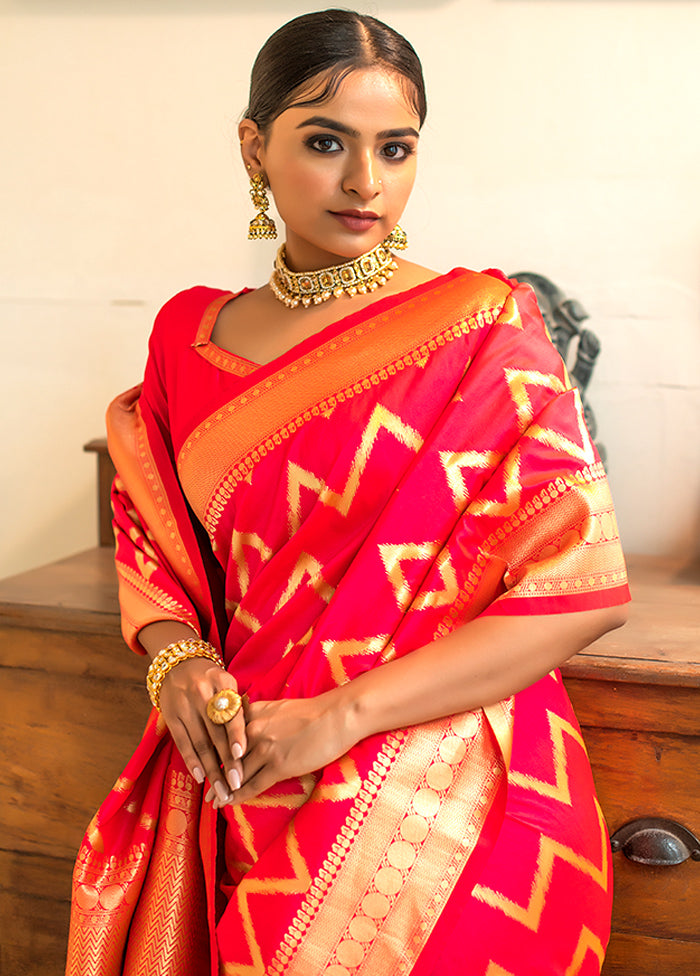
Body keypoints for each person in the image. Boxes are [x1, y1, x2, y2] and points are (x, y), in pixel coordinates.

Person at [66, 10, 629, 976]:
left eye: (395, 148)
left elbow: (573, 593)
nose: (366, 184)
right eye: (326, 143)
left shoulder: (483, 330)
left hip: (440, 806)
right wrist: (177, 661)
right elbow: (150, 536)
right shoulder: (187, 338)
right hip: (240, 778)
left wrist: (341, 717)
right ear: (254, 147)